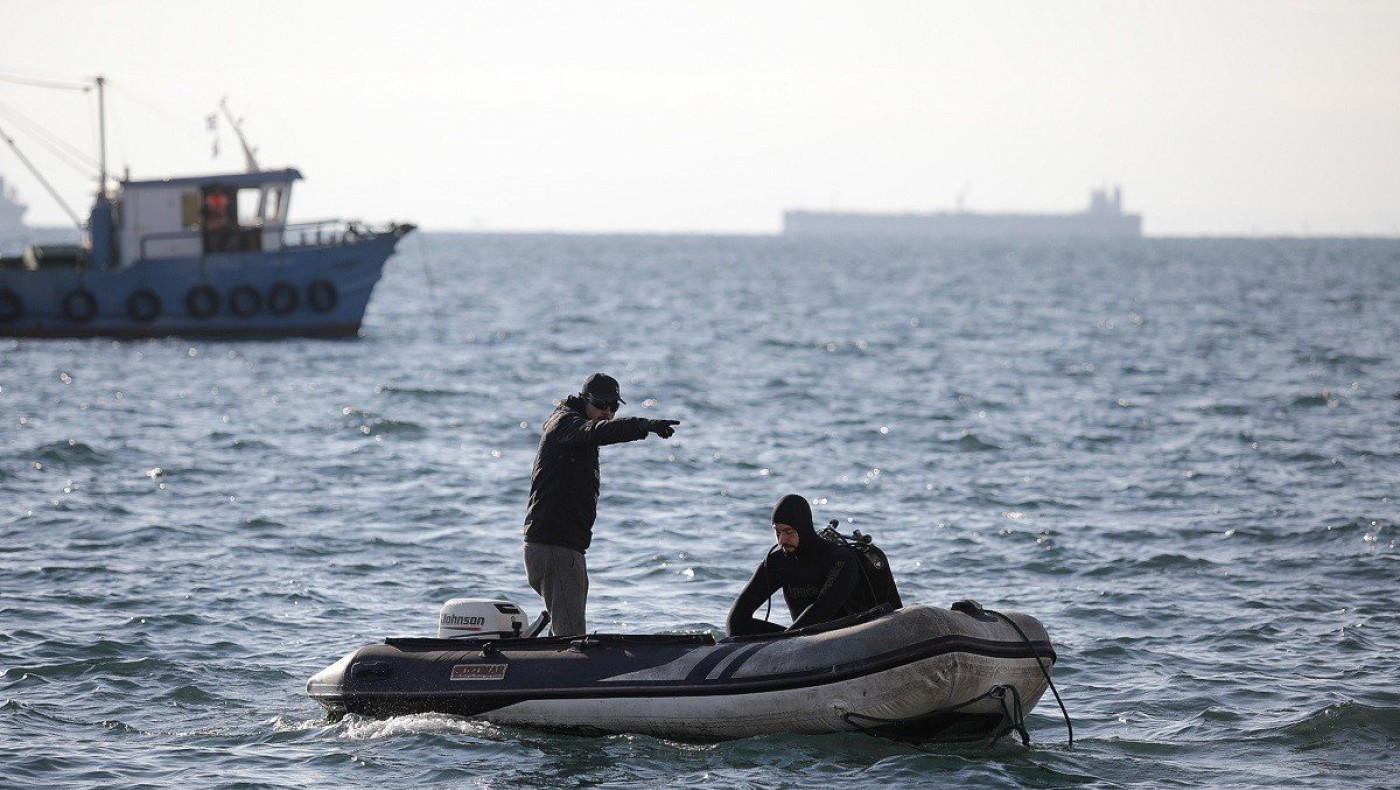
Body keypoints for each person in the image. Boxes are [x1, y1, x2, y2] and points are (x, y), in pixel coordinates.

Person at [523, 373, 681, 636]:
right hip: (554, 548)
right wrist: (643, 425)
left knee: (565, 631)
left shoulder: (577, 433)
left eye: (613, 407)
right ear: (584, 399)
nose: (606, 413)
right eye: (600, 405)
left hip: (564, 548)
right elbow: (597, 431)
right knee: (571, 638)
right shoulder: (565, 424)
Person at [726, 494, 862, 637]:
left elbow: (822, 609)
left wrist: (784, 641)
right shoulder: (777, 562)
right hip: (799, 639)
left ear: (803, 528)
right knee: (741, 625)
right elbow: (738, 614)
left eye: (788, 531)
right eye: (777, 532)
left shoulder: (840, 559)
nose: (782, 539)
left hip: (847, 638)